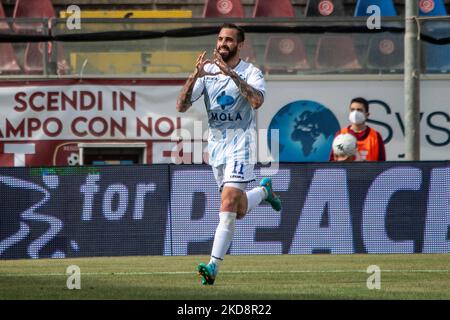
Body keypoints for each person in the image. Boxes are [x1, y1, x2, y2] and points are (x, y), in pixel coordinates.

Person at [176, 23, 282, 286]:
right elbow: (181, 105)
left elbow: (256, 101)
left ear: (240, 45)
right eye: (220, 39)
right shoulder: (208, 72)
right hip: (217, 149)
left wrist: (231, 75)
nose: (223, 43)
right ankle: (264, 192)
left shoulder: (251, 72)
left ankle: (212, 266)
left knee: (227, 205)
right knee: (239, 208)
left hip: (242, 145)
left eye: (229, 40)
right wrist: (194, 75)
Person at [329, 97, 386, 161]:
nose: (355, 113)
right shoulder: (340, 135)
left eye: (359, 110)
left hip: (370, 171)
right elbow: (332, 162)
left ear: (367, 115)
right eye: (352, 110)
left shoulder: (376, 136)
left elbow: (382, 164)